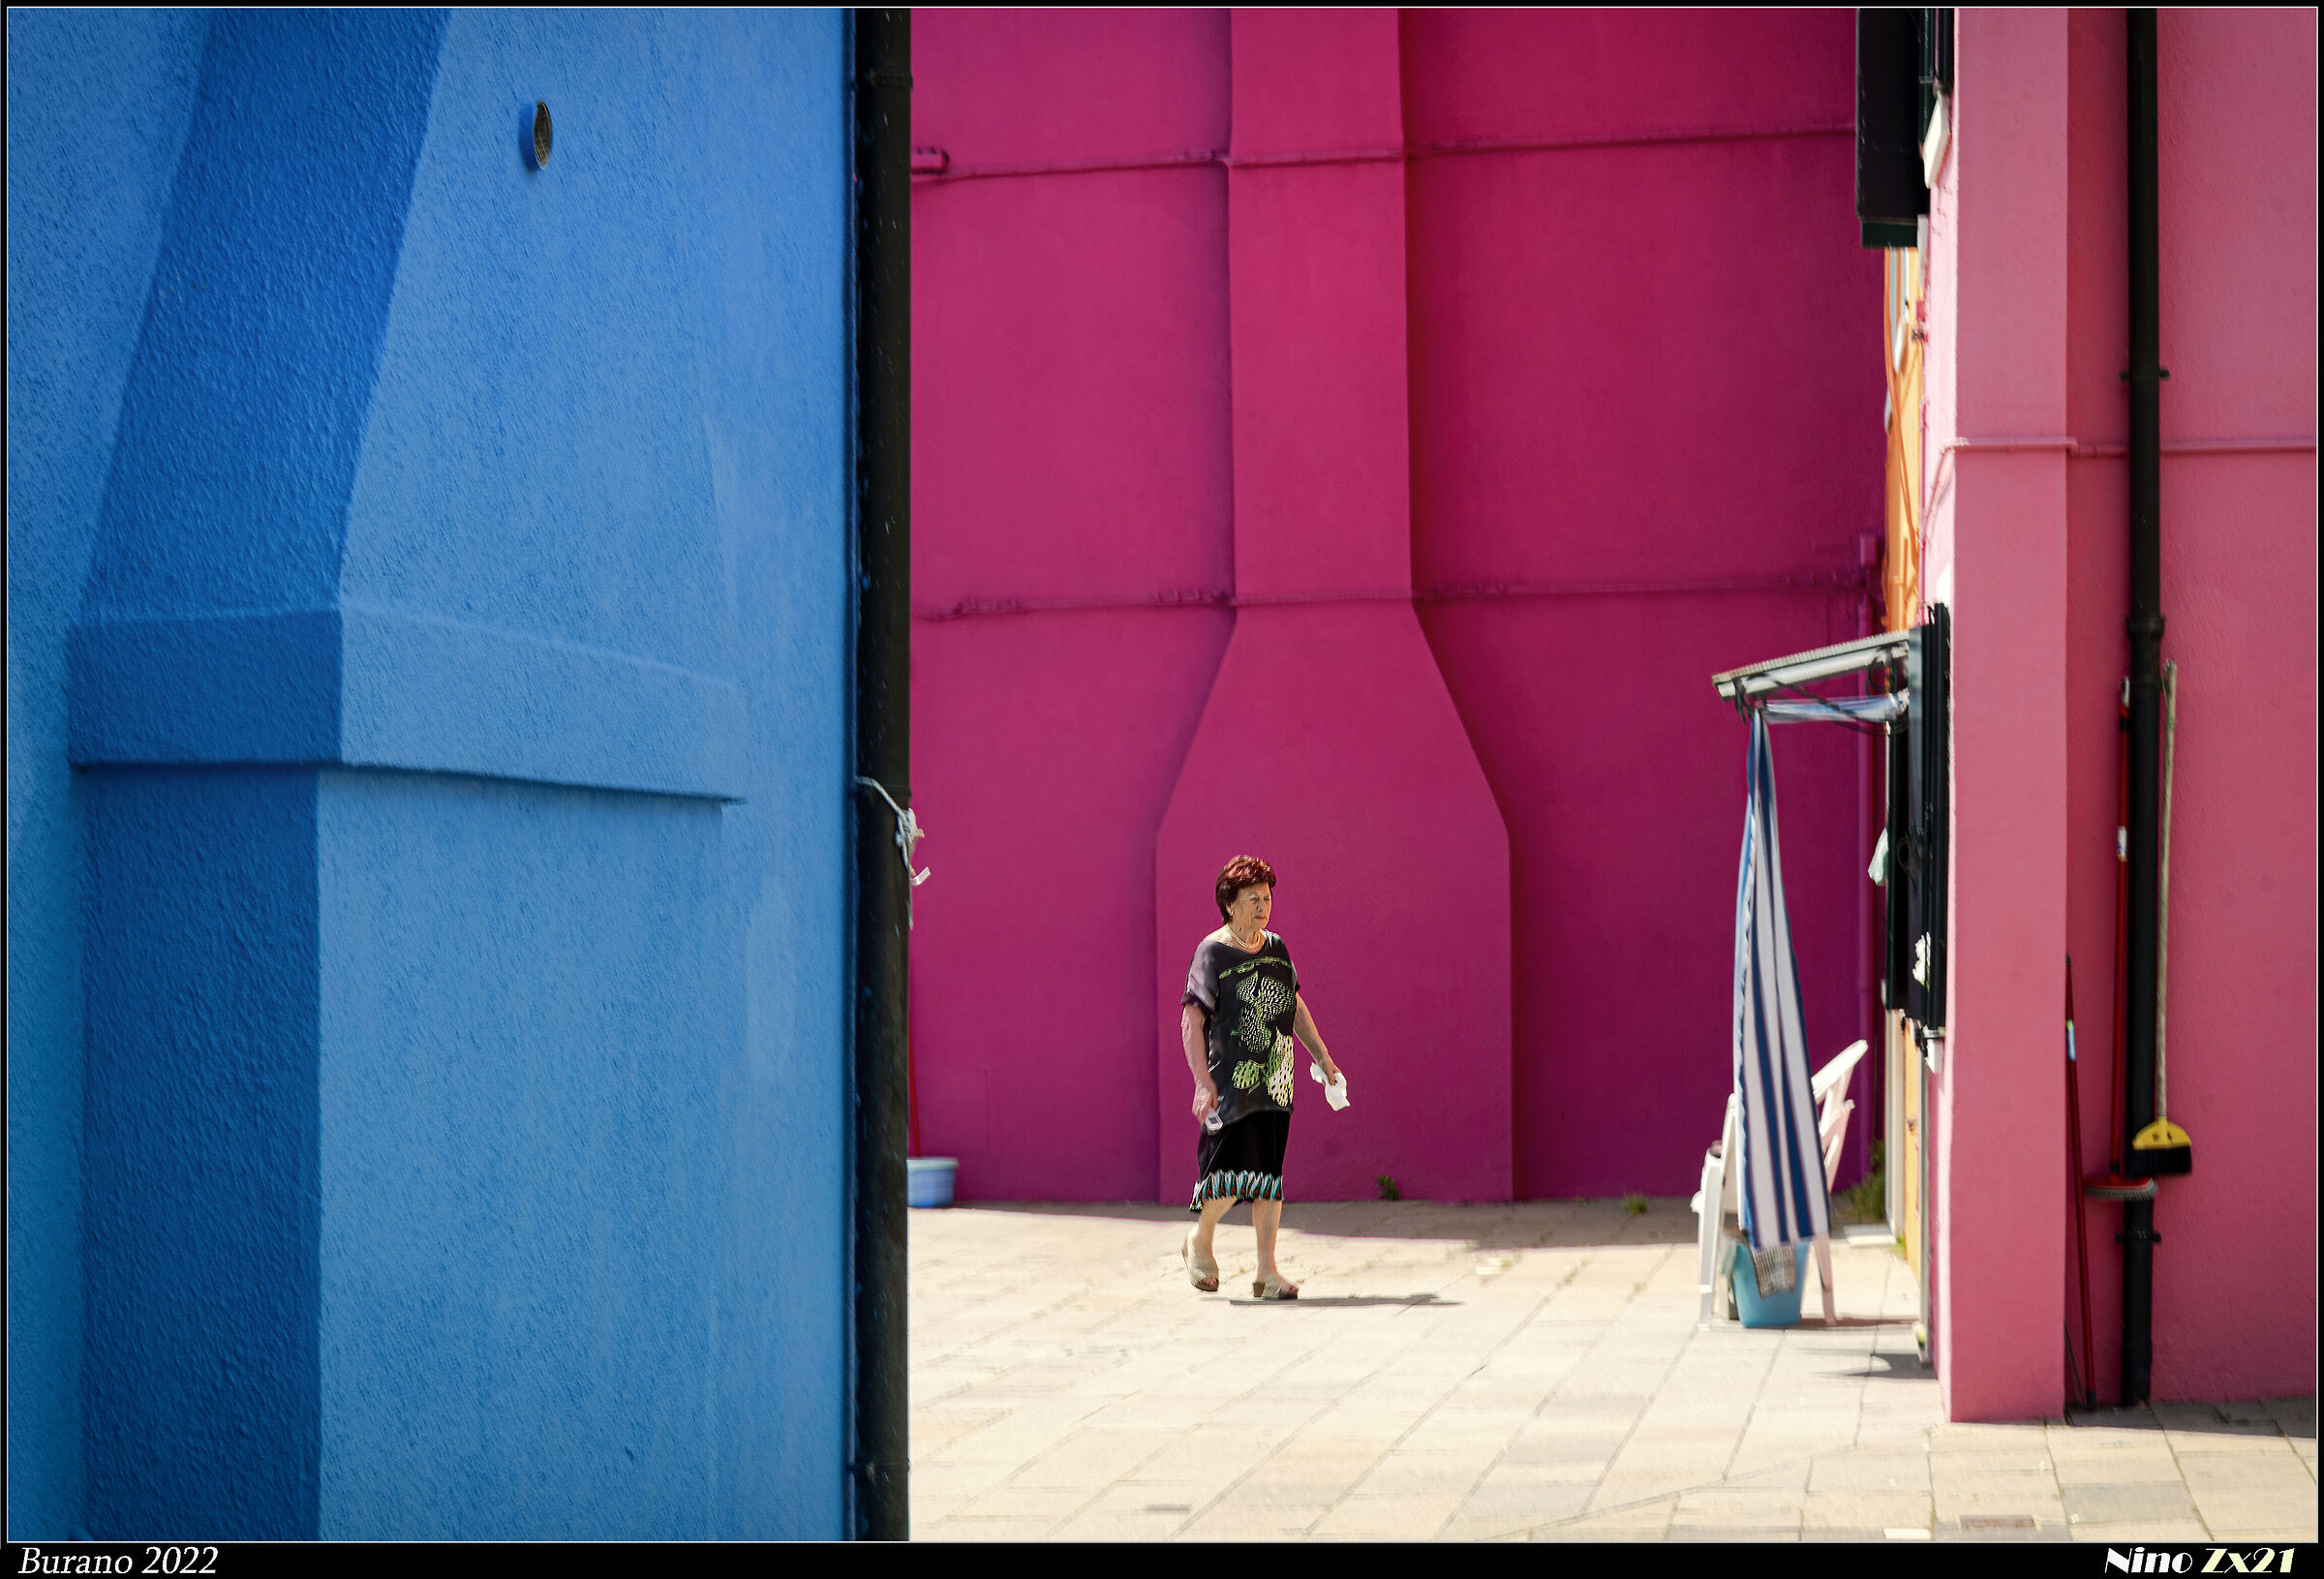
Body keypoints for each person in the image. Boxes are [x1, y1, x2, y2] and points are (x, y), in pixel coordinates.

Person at [1179, 855, 1343, 1299]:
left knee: (1269, 1178)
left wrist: (1322, 1057)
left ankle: (1266, 1273)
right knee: (1228, 1176)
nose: (1262, 906)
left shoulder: (1276, 948)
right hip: (1230, 1087)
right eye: (1252, 899)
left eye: (1266, 898)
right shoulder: (1212, 952)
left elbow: (1294, 1005)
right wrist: (1202, 1082)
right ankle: (1199, 1240)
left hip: (1275, 1082)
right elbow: (1192, 1020)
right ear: (1229, 904)